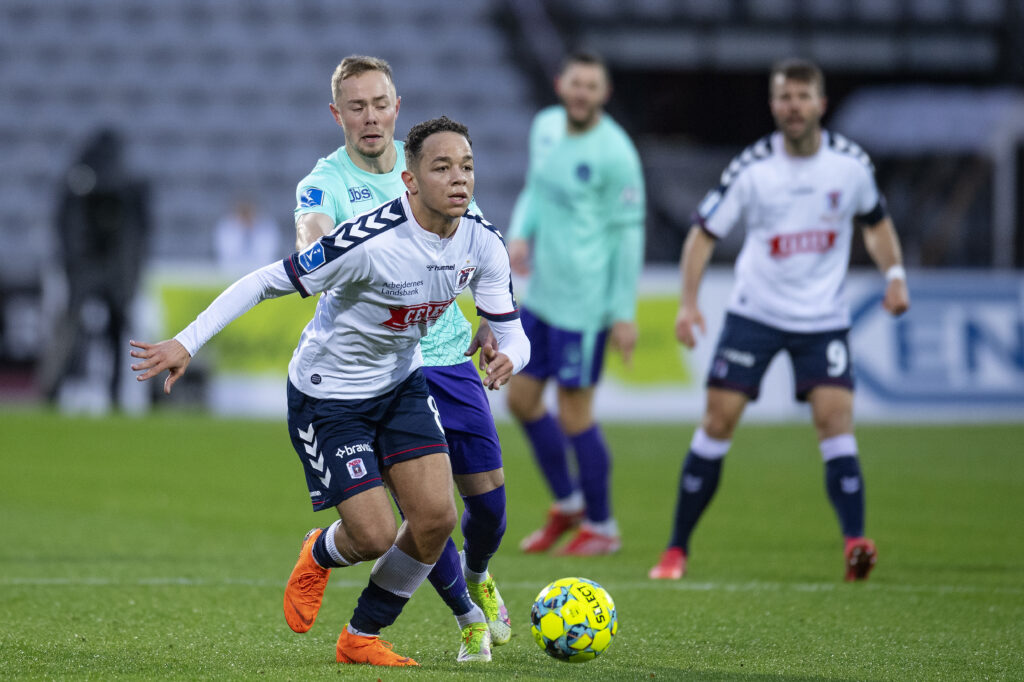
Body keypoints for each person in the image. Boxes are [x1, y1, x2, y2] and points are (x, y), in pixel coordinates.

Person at [130, 116, 529, 667]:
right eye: (442, 167)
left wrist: (511, 355)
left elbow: (511, 330)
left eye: (467, 166)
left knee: (436, 519)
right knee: (373, 535)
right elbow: (265, 280)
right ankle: (319, 550)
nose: (459, 178)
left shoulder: (482, 244)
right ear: (410, 180)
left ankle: (362, 635)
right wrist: (186, 341)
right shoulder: (366, 242)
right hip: (329, 398)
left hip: (402, 385)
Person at [648, 58, 910, 582]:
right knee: (717, 422)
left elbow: (876, 224)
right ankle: (675, 550)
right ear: (773, 105)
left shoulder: (850, 165)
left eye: (802, 97)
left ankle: (855, 543)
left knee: (835, 423)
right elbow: (703, 233)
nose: (793, 107)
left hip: (823, 317)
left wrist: (896, 274)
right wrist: (689, 302)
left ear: (820, 103)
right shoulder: (753, 168)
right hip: (756, 313)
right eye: (784, 98)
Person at [291, 55, 513, 661]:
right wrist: (323, 255)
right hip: (390, 371)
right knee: (426, 512)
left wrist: (494, 320)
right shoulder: (326, 183)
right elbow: (311, 237)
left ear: (396, 106)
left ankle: (479, 573)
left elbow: (478, 242)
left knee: (488, 507)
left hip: (449, 356)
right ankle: (465, 617)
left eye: (380, 104)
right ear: (338, 114)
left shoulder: (429, 170)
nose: (370, 118)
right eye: (356, 107)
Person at [506, 51, 646, 556]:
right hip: (542, 295)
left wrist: (623, 312)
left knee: (574, 414)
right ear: (561, 84)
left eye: (593, 86)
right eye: (576, 83)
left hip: (585, 305)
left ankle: (603, 526)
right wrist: (521, 235)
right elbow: (536, 191)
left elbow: (629, 236)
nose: (582, 93)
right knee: (520, 400)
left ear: (604, 94)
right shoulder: (544, 127)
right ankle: (567, 505)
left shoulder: (617, 153)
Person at [40, 128, 151, 409]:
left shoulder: (87, 180)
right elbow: (141, 232)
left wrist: (71, 263)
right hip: (101, 265)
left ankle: (55, 392)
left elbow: (65, 225)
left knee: (84, 327)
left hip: (95, 265)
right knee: (99, 330)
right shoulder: (123, 182)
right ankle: (93, 392)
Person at [213, 196, 283, 275]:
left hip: (260, 267)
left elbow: (268, 252)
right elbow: (226, 251)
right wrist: (242, 230)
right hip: (232, 268)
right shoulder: (226, 225)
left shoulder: (267, 225)